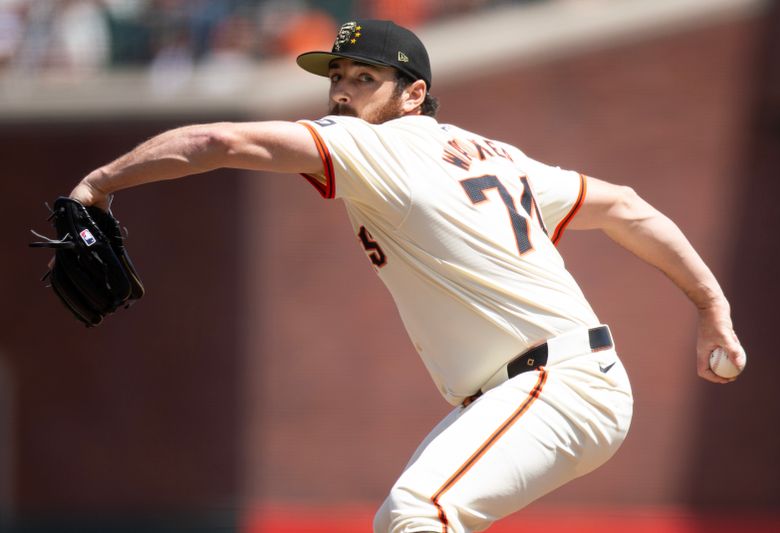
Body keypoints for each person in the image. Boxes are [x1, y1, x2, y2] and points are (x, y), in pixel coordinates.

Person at [68, 19, 745, 533]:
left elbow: (216, 142)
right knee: (403, 514)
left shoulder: (370, 144)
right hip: (548, 383)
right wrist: (712, 308)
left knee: (419, 510)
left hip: (555, 381)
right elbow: (626, 205)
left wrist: (97, 183)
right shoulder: (497, 155)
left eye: (364, 78)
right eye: (337, 75)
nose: (341, 91)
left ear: (414, 93)